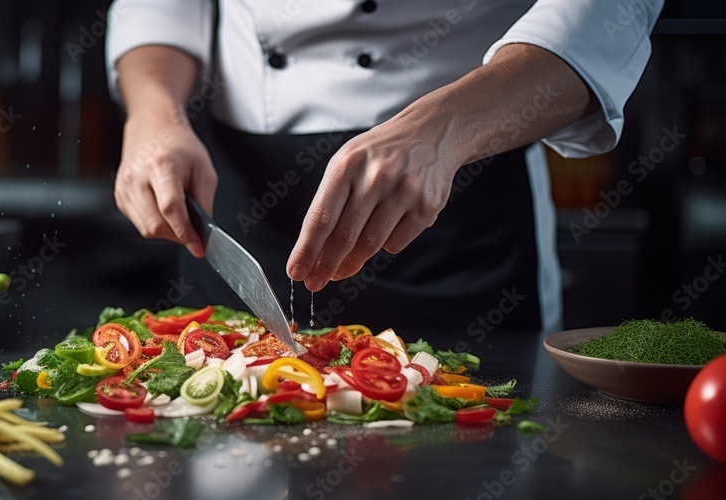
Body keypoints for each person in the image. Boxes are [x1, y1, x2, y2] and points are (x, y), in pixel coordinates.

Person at [104, 0, 663, 337]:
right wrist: (152, 113)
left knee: (471, 469)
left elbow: (606, 11)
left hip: (462, 190)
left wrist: (445, 131)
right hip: (236, 194)